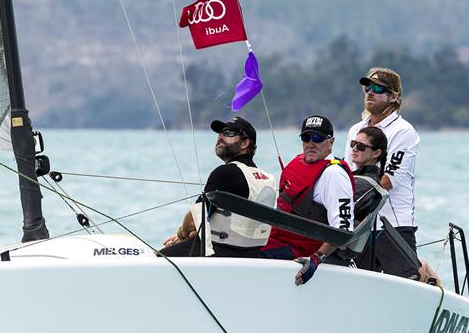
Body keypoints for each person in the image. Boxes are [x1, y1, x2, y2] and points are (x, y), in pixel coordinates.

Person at [160, 116, 276, 258]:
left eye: (229, 133)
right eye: (220, 133)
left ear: (245, 143)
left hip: (219, 253)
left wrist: (180, 235)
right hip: (252, 254)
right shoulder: (268, 178)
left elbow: (193, 221)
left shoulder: (226, 172)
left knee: (158, 258)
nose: (220, 137)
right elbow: (235, 226)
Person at [259, 115, 354, 285]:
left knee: (245, 251)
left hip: (300, 251)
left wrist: (316, 259)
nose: (310, 143)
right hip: (276, 239)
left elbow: (343, 229)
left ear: (331, 142)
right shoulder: (298, 162)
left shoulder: (335, 175)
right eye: (306, 137)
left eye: (317, 138)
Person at [344, 67, 420, 279]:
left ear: (394, 96)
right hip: (360, 226)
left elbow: (386, 181)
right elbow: (347, 174)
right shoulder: (355, 130)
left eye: (377, 88)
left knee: (406, 291)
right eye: (367, 87)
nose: (370, 92)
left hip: (393, 226)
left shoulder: (403, 131)